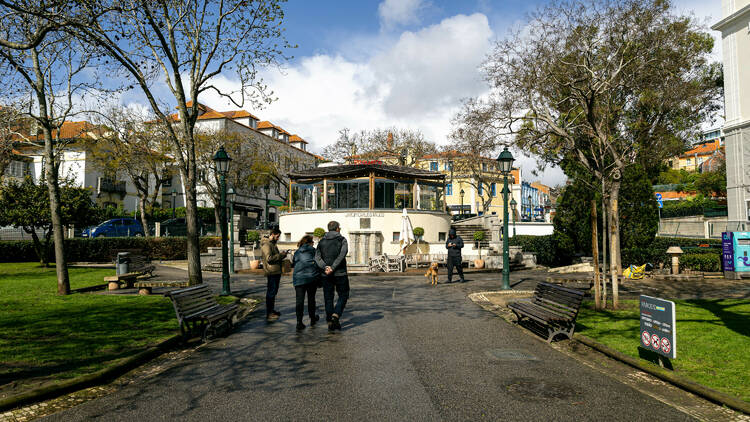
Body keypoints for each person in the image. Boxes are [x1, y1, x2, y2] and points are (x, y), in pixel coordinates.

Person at [315, 221, 349, 331]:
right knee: (344, 295)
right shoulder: (342, 240)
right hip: (340, 273)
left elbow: (317, 257)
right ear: (338, 229)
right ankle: (336, 315)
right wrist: (333, 267)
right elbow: (342, 255)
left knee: (328, 297)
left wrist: (325, 267)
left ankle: (330, 320)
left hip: (326, 274)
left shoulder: (322, 241)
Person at [292, 235, 320, 330]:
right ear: (309, 242)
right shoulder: (313, 251)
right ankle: (312, 318)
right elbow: (318, 262)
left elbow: (294, 262)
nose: (313, 244)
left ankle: (299, 322)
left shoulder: (297, 252)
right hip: (311, 278)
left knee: (299, 301)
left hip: (299, 279)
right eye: (312, 242)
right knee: (311, 299)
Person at [261, 228, 288, 321]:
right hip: (271, 271)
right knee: (271, 292)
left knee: (273, 292)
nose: (278, 238)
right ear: (272, 234)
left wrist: (281, 255)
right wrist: (281, 255)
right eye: (277, 236)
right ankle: (269, 313)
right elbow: (269, 258)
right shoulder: (267, 244)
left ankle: (271, 311)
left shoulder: (272, 244)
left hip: (275, 271)